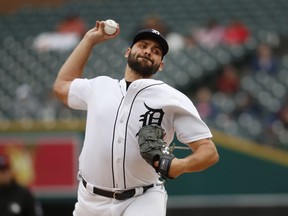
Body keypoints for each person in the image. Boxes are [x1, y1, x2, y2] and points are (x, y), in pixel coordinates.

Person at [53, 20, 219, 216]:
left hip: (143, 198)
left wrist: (181, 166)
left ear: (161, 65)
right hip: (90, 201)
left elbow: (209, 152)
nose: (149, 51)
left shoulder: (172, 98)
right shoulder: (99, 87)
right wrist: (89, 40)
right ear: (127, 52)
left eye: (156, 51)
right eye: (143, 46)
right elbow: (62, 86)